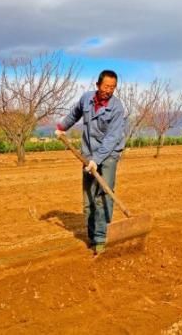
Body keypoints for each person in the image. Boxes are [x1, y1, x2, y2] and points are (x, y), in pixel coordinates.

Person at [55, 70, 127, 256]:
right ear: (98, 85)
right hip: (88, 154)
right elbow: (74, 114)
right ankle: (92, 235)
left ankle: (102, 239)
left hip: (109, 155)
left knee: (102, 196)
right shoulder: (86, 99)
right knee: (88, 198)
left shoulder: (117, 108)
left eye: (112, 87)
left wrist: (97, 160)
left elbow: (112, 138)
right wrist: (62, 127)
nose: (109, 90)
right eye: (106, 87)